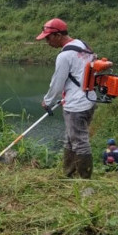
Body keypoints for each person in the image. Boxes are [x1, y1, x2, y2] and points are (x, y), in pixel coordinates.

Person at [37, 18, 96, 179]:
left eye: (48, 38)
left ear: (57, 35)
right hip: (89, 99)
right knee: (70, 139)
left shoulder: (64, 56)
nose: (47, 42)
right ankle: (68, 173)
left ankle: (85, 179)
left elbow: (57, 82)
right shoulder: (82, 45)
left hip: (76, 104)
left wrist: (47, 101)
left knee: (80, 142)